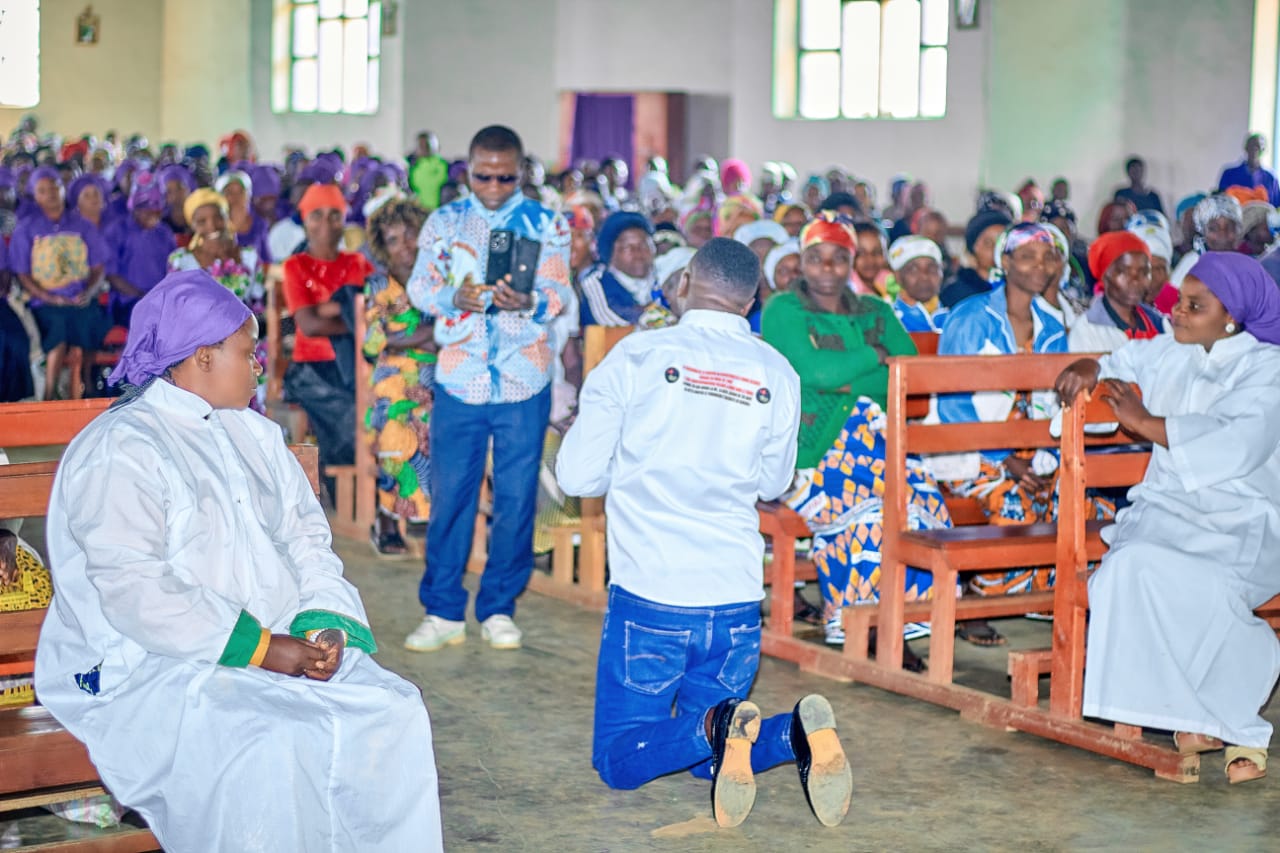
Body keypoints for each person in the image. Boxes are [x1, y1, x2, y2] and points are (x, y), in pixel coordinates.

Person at [34, 270, 443, 850]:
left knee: (392, 712)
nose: (259, 367)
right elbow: (134, 588)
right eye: (249, 353)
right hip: (154, 662)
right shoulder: (123, 445)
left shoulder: (255, 434)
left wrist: (321, 621)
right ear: (201, 357)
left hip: (275, 643)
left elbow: (307, 540)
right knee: (266, 741)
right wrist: (261, 647)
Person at [556, 237, 852, 828]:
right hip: (737, 602)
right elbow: (772, 482)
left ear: (685, 283)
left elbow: (576, 474)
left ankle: (721, 723)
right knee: (704, 759)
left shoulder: (637, 356)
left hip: (653, 599)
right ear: (752, 300)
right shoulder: (776, 370)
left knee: (620, 759)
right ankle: (792, 733)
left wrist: (638, 466)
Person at [1055, 252, 1280, 785]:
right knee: (1129, 568)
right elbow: (1125, 360)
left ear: (1233, 318)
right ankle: (1197, 720)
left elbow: (1237, 444)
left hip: (1243, 519)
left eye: (1193, 306)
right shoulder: (1172, 350)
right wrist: (1095, 365)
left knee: (1209, 582)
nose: (1175, 313)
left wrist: (1144, 421)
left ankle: (1235, 723)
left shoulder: (1267, 369)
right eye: (1178, 301)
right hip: (1167, 509)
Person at [404, 125, 570, 653]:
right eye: (483, 175)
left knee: (518, 500)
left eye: (505, 176)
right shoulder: (446, 221)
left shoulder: (546, 222)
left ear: (520, 170)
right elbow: (419, 288)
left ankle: (499, 606)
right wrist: (457, 296)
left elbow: (560, 292)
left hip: (524, 375)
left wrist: (531, 303)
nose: (494, 185)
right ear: (468, 170)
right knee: (452, 495)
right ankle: (443, 610)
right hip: (460, 375)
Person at [762, 213, 950, 655]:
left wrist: (847, 380)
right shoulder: (784, 310)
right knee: (867, 514)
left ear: (851, 263)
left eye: (838, 258)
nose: (827, 268)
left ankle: (903, 621)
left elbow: (910, 376)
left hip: (879, 444)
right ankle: (856, 623)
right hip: (809, 453)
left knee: (920, 505)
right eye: (815, 258)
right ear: (802, 261)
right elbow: (810, 371)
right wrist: (875, 354)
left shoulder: (876, 309)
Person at [937, 222, 1111, 645]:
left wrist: (1044, 456)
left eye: (1049, 256)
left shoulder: (1051, 324)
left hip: (1033, 445)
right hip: (968, 444)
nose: (1041, 265)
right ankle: (978, 602)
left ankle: (1050, 598)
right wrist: (1005, 457)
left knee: (1089, 504)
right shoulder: (973, 316)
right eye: (1028, 255)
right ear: (1005, 261)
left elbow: (1055, 401)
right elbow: (951, 401)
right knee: (1015, 499)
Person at [281, 182, 374, 481]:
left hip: (357, 363)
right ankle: (348, 491)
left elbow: (376, 309)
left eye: (334, 214)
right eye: (316, 215)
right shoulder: (297, 265)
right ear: (304, 220)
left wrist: (329, 309)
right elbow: (308, 325)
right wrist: (351, 312)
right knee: (350, 413)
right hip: (312, 370)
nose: (325, 223)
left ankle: (379, 493)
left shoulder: (356, 262)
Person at [363, 197, 435, 556]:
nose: (405, 246)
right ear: (383, 247)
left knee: (445, 415)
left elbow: (450, 330)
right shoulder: (378, 285)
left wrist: (403, 337)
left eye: (411, 235)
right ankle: (387, 516)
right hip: (392, 376)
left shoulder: (438, 278)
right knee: (397, 418)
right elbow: (375, 341)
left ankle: (429, 514)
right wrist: (427, 335)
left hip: (438, 374)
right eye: (394, 240)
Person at [9, 165, 110, 400]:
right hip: (44, 302)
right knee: (57, 324)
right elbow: (23, 274)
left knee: (90, 318)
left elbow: (98, 267)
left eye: (55, 188)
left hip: (79, 298)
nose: (51, 194)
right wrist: (50, 297)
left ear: (63, 190)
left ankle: (87, 383)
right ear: (35, 195)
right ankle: (50, 390)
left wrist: (89, 291)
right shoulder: (27, 228)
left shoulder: (82, 225)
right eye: (43, 190)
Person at [1068, 231, 1164, 353]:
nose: (1135, 280)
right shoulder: (1087, 330)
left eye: (1143, 272)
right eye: (1124, 272)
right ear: (1104, 275)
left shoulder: (1159, 323)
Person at [104, 171, 175, 327]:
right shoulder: (117, 230)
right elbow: (111, 275)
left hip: (162, 300)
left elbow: (173, 270)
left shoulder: (165, 232)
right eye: (145, 208)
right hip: (128, 302)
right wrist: (142, 296)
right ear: (135, 208)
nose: (152, 213)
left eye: (156, 208)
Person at [579, 211, 658, 328]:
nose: (637, 252)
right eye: (627, 247)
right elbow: (610, 321)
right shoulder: (596, 282)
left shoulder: (665, 275)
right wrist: (660, 317)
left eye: (643, 244)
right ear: (611, 254)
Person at [940, 209, 1011, 308]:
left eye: (1003, 243)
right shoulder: (955, 294)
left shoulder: (1017, 288)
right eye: (988, 243)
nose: (996, 250)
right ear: (973, 249)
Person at [1170, 194, 1244, 288]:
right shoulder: (1191, 262)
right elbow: (1165, 301)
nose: (1222, 234)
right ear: (1203, 231)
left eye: (1229, 227)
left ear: (1238, 232)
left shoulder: (1245, 265)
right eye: (1213, 228)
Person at [888, 235, 947, 332]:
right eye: (913, 269)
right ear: (897, 276)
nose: (924, 276)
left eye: (932, 268)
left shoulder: (954, 320)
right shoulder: (887, 321)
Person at [1217, 134, 1280, 205]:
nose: (1255, 150)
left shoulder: (1271, 178)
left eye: (1258, 147)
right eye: (1251, 146)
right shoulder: (1229, 174)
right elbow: (1220, 202)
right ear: (1246, 148)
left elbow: (1276, 206)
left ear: (1264, 150)